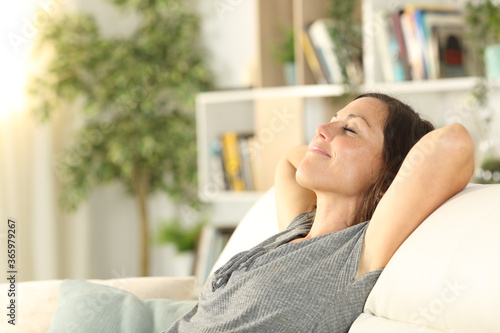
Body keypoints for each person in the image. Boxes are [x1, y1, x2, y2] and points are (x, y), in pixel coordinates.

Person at [164, 93, 474, 333]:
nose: (321, 129)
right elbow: (288, 161)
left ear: (390, 178)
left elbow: (453, 143)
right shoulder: (298, 228)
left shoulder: (356, 253)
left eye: (351, 129)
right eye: (332, 119)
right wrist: (330, 146)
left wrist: (384, 184)